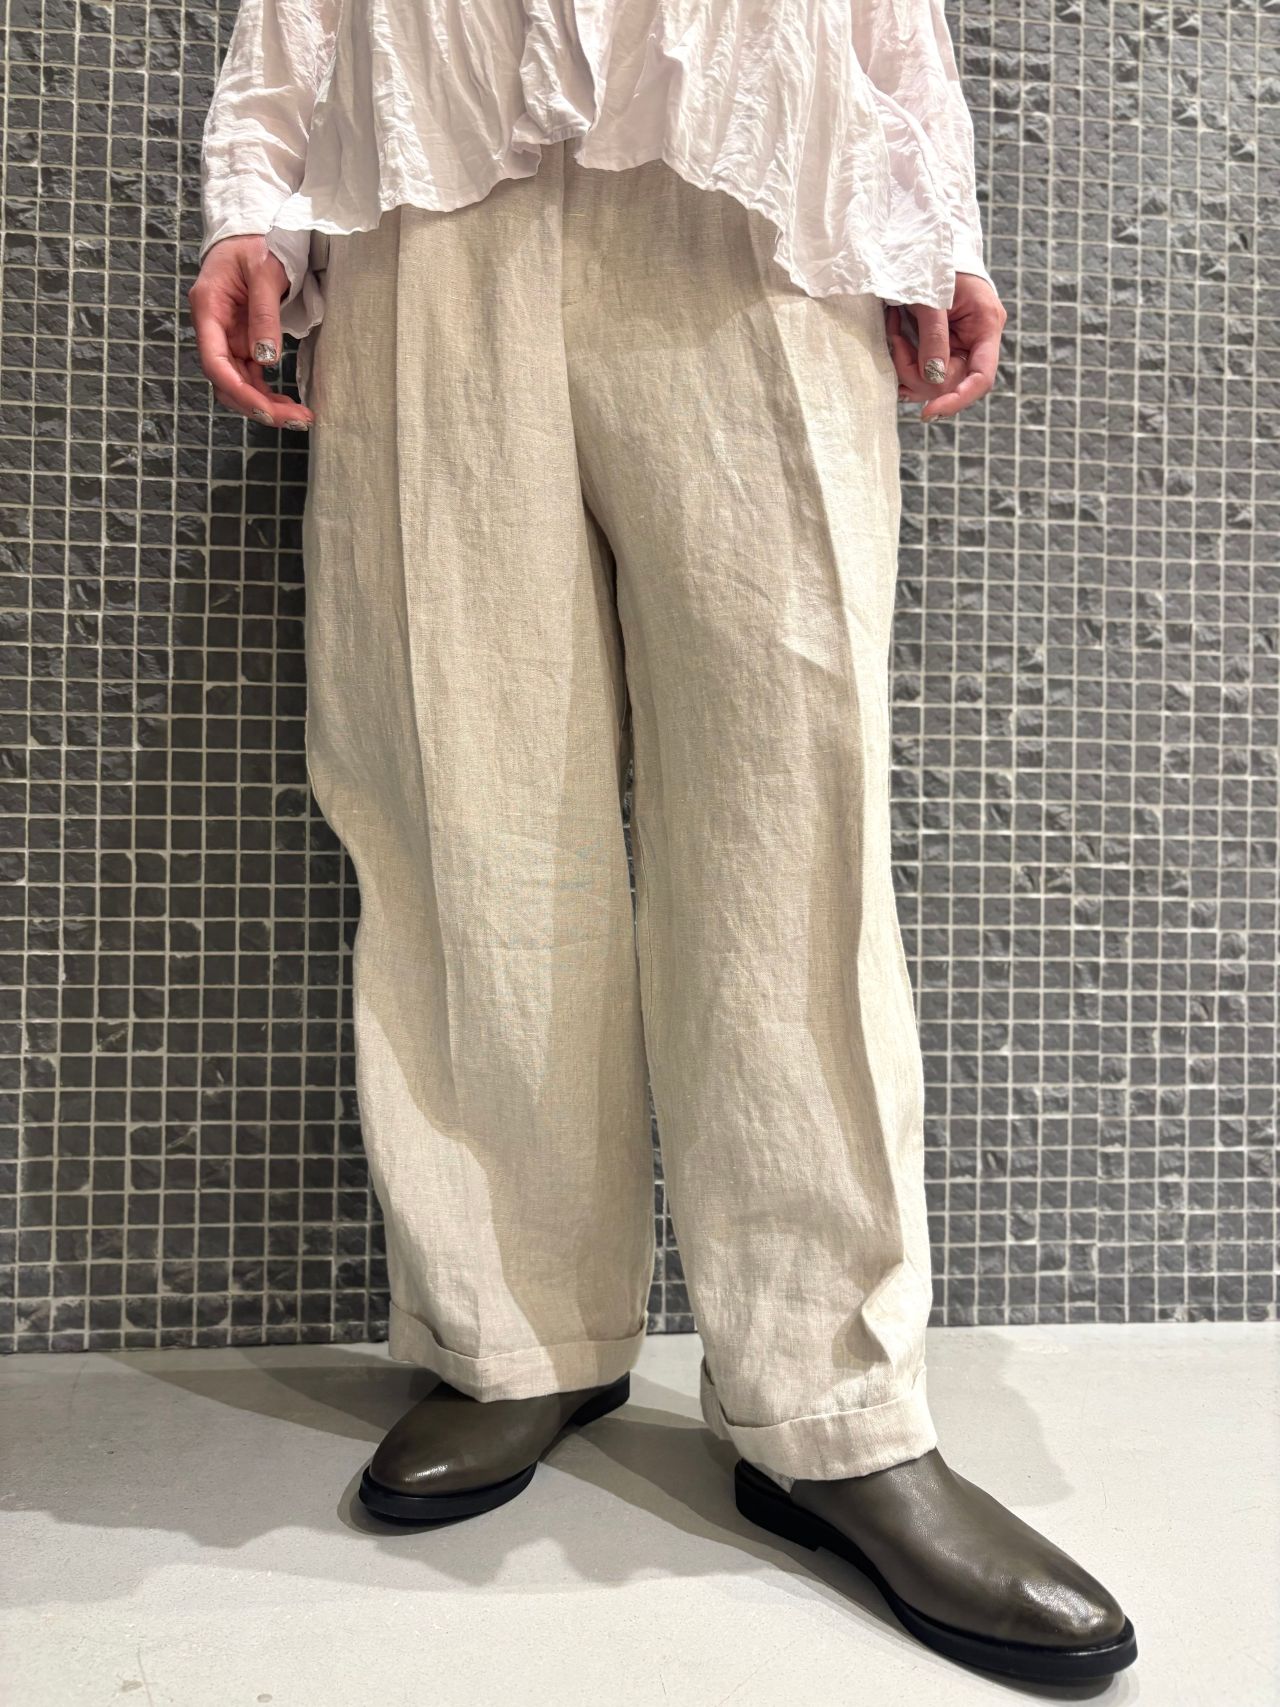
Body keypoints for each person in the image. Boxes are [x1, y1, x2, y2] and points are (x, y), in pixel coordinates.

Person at [190, 0, 1136, 1684]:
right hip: (427, 195)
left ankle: (832, 1408)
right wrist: (251, 193)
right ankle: (518, 1329)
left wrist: (928, 210)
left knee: (791, 816)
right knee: (460, 798)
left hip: (756, 195)